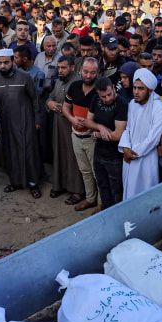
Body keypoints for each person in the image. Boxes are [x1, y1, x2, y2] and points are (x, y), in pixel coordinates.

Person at [0, 48, 42, 199]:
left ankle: (33, 184)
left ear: (13, 61)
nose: (3, 66)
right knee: (10, 153)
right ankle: (15, 182)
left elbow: (35, 99)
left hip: (25, 121)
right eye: (0, 63)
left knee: (29, 153)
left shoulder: (24, 77)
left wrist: (37, 120)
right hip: (6, 123)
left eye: (6, 62)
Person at [120, 68, 162, 200]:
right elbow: (128, 128)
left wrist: (134, 152)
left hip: (146, 158)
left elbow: (153, 138)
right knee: (129, 193)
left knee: (145, 194)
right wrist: (125, 147)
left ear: (150, 90)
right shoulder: (132, 104)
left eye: (141, 88)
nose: (136, 92)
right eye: (134, 88)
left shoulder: (159, 108)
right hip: (129, 156)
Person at [46, 55, 86, 203]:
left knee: (74, 157)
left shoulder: (77, 83)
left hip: (72, 126)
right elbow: (51, 97)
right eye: (59, 68)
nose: (60, 71)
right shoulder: (58, 81)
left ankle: (77, 191)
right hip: (58, 124)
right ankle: (60, 185)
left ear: (73, 68)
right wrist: (50, 103)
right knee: (59, 154)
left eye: (64, 68)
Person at [84, 77, 129, 210]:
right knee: (102, 187)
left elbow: (117, 135)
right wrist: (101, 128)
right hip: (99, 152)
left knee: (116, 191)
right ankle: (104, 214)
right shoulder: (95, 99)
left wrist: (96, 134)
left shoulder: (122, 104)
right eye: (103, 96)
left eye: (109, 94)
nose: (107, 99)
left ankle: (116, 218)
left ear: (114, 88)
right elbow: (88, 122)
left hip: (115, 156)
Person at [63, 57, 99, 211]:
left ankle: (101, 204)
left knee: (97, 172)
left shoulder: (100, 91)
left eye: (92, 72)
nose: (88, 75)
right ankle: (90, 199)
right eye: (85, 71)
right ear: (80, 71)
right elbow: (66, 107)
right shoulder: (75, 86)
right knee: (85, 171)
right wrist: (72, 119)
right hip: (76, 135)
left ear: (97, 73)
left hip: (93, 139)